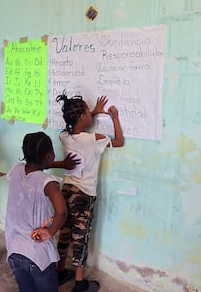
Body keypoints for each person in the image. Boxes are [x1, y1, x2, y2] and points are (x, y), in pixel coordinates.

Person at [55, 93, 124, 292]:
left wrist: (93, 111)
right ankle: (79, 283)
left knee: (65, 232)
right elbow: (118, 141)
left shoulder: (64, 136)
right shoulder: (93, 139)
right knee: (81, 237)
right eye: (87, 111)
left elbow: (77, 122)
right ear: (82, 117)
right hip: (84, 195)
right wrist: (114, 117)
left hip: (66, 191)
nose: (90, 114)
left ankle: (60, 272)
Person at [5, 131, 71, 292]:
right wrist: (50, 231)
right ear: (49, 156)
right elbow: (61, 212)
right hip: (37, 254)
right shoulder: (49, 183)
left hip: (14, 249)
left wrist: (59, 164)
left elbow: (34, 167)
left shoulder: (15, 170)